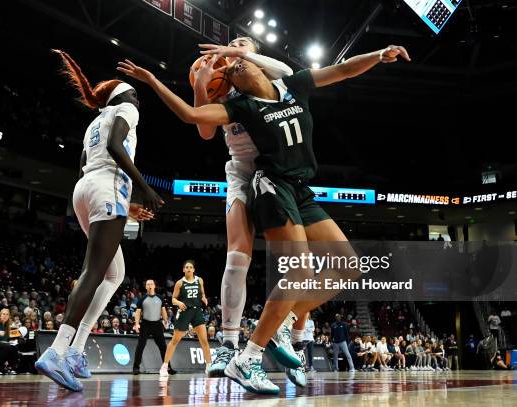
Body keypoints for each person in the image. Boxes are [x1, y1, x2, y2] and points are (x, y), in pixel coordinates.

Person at [118, 42, 410, 393]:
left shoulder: (292, 81)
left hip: (302, 187)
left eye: (243, 59)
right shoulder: (241, 105)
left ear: (259, 65)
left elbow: (343, 69)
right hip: (267, 182)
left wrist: (378, 55)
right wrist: (164, 80)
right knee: (278, 265)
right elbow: (194, 118)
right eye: (233, 68)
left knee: (347, 267)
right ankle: (242, 351)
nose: (236, 64)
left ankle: (282, 324)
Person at [34, 50, 162, 392]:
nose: (138, 96)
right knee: (94, 272)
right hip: (107, 185)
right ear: (122, 95)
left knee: (113, 274)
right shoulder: (127, 108)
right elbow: (116, 147)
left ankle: (76, 350)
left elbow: (86, 163)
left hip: (84, 188)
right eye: (133, 91)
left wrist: (119, 203)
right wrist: (144, 189)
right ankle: (57, 351)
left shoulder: (95, 120)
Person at [191, 37, 307, 386]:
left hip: (280, 174)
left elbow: (288, 69)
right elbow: (205, 132)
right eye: (231, 42)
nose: (232, 46)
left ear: (253, 52)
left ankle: (289, 336)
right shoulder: (227, 87)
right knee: (237, 258)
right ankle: (228, 344)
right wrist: (201, 85)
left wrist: (242, 54)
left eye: (241, 43)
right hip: (242, 172)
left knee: (303, 265)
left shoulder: (273, 80)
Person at [159, 260, 211, 378]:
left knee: (204, 340)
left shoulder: (200, 280)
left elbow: (202, 293)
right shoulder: (179, 283)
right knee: (175, 340)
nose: (188, 269)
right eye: (186, 267)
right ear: (183, 270)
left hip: (197, 311)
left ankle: (209, 366)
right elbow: (173, 299)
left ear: (193, 269)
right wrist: (179, 303)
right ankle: (164, 366)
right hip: (184, 312)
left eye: (190, 267)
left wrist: (204, 298)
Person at [132, 279, 172, 375]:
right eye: (148, 284)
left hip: (157, 325)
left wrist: (166, 321)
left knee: (163, 347)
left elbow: (163, 311)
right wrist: (137, 324)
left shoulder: (160, 298)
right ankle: (136, 368)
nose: (150, 285)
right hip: (145, 324)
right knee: (140, 346)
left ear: (154, 286)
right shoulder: (142, 299)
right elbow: (138, 312)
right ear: (146, 287)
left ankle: (168, 368)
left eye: (151, 284)